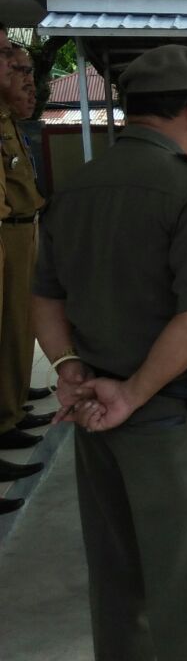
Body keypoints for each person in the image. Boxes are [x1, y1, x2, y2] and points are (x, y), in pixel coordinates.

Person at [31, 45, 187, 660]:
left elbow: (43, 297)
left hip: (97, 418)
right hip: (172, 419)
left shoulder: (77, 185)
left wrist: (71, 370)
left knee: (120, 583)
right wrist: (132, 392)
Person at [0, 45, 47, 454]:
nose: (28, 83)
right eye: (20, 72)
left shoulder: (11, 123)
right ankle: (5, 416)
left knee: (21, 323)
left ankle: (13, 403)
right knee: (10, 325)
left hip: (23, 227)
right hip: (8, 232)